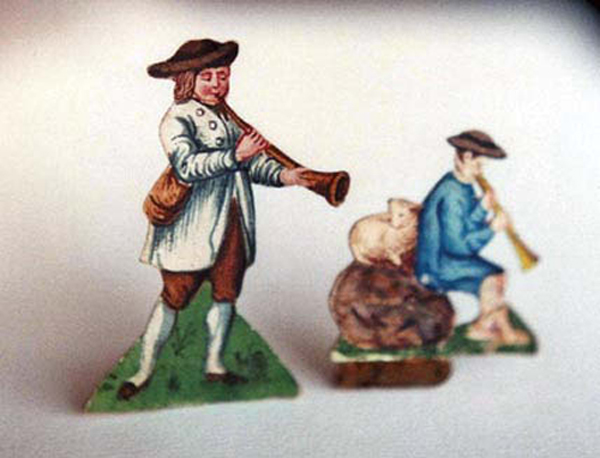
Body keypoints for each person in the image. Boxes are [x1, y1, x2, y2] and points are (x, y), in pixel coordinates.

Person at [118, 39, 309, 400]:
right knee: (174, 296)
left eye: (223, 75)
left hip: (232, 219)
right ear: (187, 79)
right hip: (192, 224)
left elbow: (253, 164)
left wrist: (286, 175)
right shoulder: (177, 118)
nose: (217, 84)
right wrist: (235, 155)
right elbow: (187, 167)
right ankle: (143, 372)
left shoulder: (227, 116)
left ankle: (214, 365)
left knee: (226, 294)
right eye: (207, 76)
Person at [415, 130, 529, 345]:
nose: (480, 172)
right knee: (493, 276)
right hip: (436, 265)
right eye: (478, 165)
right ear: (466, 157)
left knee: (495, 275)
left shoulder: (461, 186)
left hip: (447, 258)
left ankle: (490, 327)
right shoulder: (452, 193)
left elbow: (463, 226)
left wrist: (482, 208)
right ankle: (484, 328)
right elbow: (458, 245)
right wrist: (492, 229)